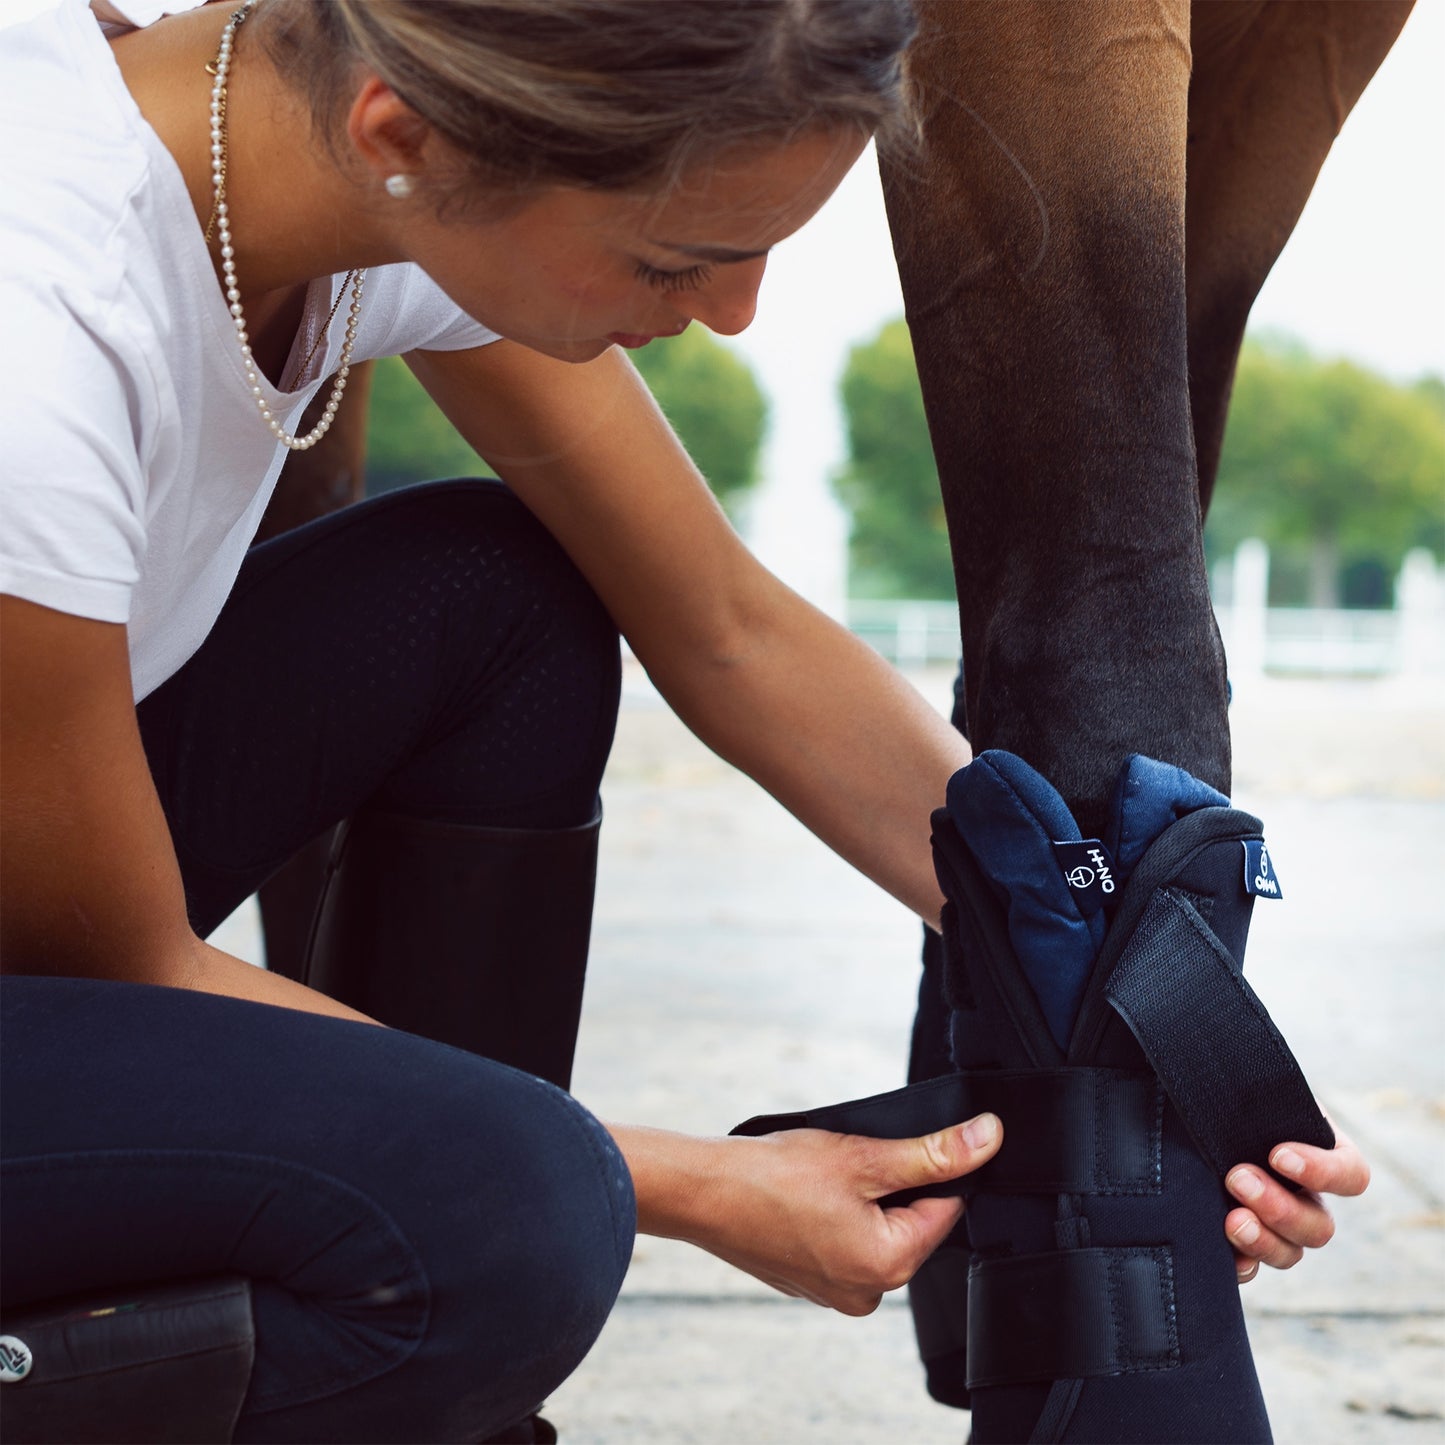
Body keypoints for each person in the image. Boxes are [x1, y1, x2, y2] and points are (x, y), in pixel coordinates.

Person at [0, 1, 1367, 1440]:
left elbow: (725, 626)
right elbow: (104, 954)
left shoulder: (326, 146)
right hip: (57, 953)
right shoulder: (38, 314)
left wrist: (1127, 1001)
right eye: (678, 258)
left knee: (495, 593)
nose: (731, 316)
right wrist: (680, 1180)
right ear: (404, 136)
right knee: (515, 1214)